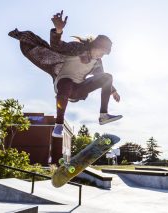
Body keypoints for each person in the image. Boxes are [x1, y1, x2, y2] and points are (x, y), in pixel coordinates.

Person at [8, 10, 122, 138]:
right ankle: (59, 125)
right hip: (63, 85)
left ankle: (103, 115)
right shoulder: (77, 48)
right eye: (102, 52)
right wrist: (58, 30)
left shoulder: (97, 62)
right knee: (67, 83)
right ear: (95, 46)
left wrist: (113, 91)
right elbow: (57, 46)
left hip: (78, 90)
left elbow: (101, 78)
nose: (101, 56)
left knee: (108, 77)